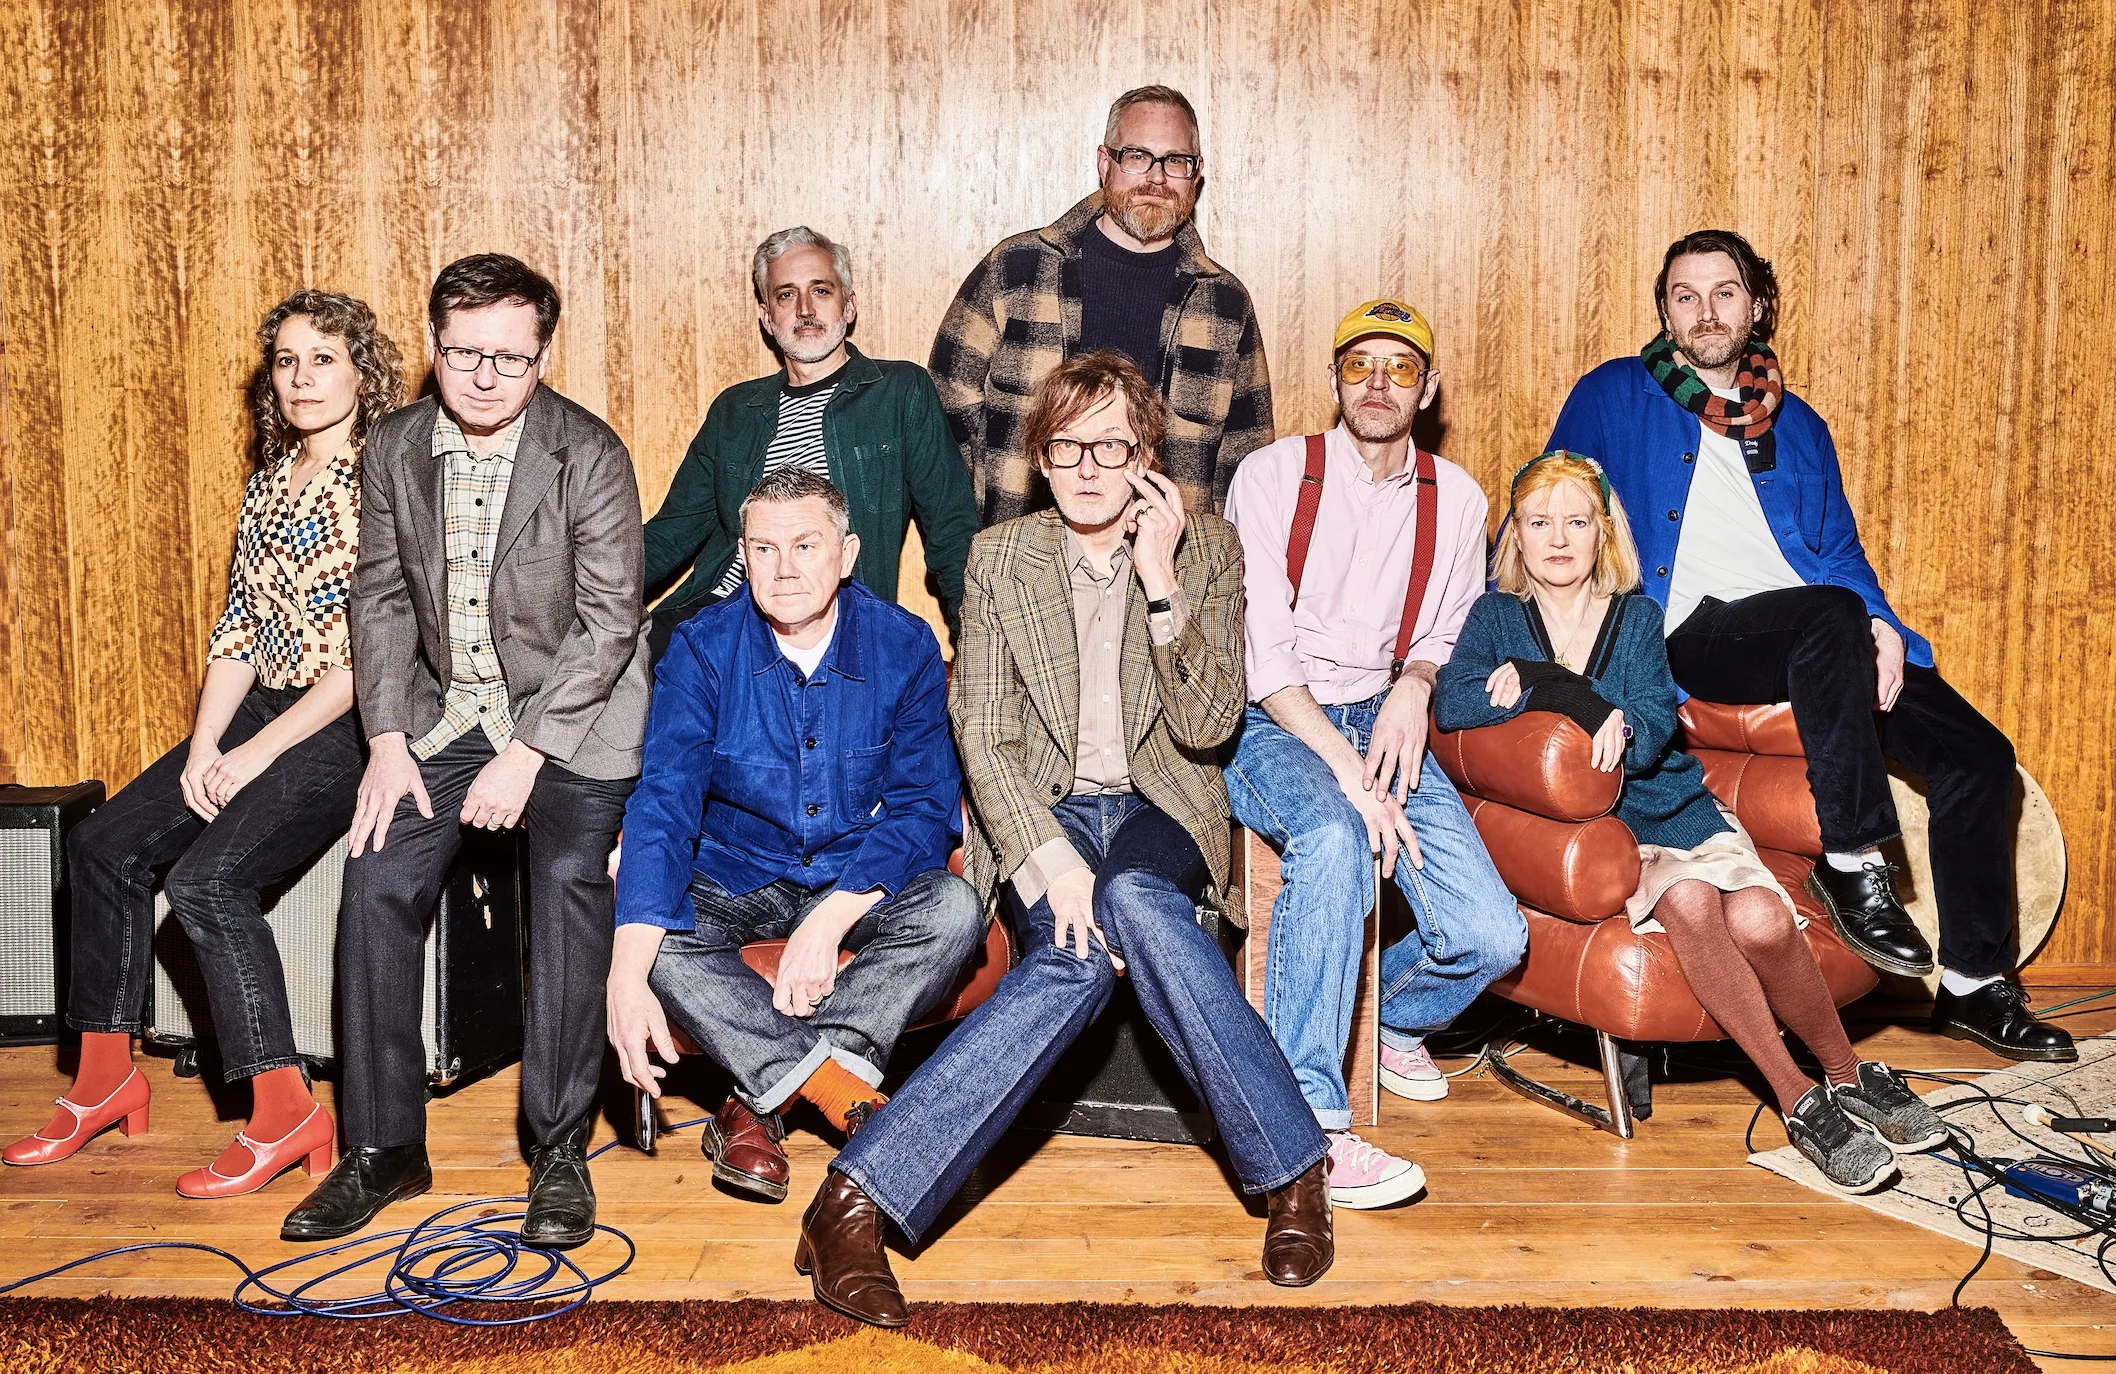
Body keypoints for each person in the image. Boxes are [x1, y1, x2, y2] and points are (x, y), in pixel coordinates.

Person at [798, 351, 1331, 1330]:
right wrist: (1049, 861)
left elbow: (1211, 726)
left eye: (1112, 447)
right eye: (1067, 447)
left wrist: (1162, 579)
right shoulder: (1002, 561)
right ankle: (1295, 1167)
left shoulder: (1204, 548)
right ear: (1039, 458)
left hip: (1156, 811)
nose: (1089, 467)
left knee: (1132, 897)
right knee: (1080, 964)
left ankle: (854, 1194)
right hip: (1040, 816)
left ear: (1146, 457)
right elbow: (985, 734)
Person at [1546, 229, 2072, 1062]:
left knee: (1981, 755)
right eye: (1685, 295)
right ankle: (1855, 861)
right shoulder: (1615, 394)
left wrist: (1884, 632)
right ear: (1665, 313)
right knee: (1826, 614)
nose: (1705, 310)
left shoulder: (1803, 426)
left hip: (1814, 631)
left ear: (1756, 306)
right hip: (1692, 632)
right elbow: (1552, 502)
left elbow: (1839, 556)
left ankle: (1975, 984)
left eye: (1724, 292)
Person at [1436, 452, 1949, 1192]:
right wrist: (1556, 689)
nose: (1557, 539)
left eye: (1577, 522)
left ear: (1602, 534)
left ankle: (1848, 1073)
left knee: (1766, 922)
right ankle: (1798, 1099)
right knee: (1690, 902)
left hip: (1674, 807)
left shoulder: (1638, 617)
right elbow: (1451, 703)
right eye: (1539, 522)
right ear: (1514, 536)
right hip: (1608, 837)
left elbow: (1648, 721)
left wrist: (1563, 697)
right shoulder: (1495, 618)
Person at [282, 254, 652, 1247]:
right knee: (374, 877)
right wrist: (390, 741)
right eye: (465, 354)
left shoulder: (589, 453)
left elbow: (610, 622)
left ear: (542, 355)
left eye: (512, 358)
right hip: (447, 717)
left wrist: (529, 755)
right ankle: (385, 1146)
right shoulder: (397, 448)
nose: (487, 377)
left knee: (570, 882)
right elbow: (381, 599)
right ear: (435, 345)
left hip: (574, 716)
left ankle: (560, 1147)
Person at [3, 291, 402, 1198]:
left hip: (348, 722)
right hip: (263, 704)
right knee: (103, 846)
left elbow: (368, 658)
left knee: (207, 883)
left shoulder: (384, 481)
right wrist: (205, 743)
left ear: (361, 371)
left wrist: (255, 757)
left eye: (324, 359)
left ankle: (284, 1108)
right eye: (288, 361)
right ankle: (103, 1080)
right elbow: (238, 630)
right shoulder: (270, 481)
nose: (302, 378)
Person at [607, 468, 987, 1203]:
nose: (784, 569)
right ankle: (832, 1087)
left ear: (845, 555)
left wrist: (831, 916)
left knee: (953, 911)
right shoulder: (701, 648)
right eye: (764, 549)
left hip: (856, 871)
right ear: (742, 557)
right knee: (652, 941)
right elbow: (664, 803)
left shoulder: (902, 645)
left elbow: (924, 806)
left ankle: (756, 1101)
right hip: (736, 873)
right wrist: (624, 973)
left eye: (805, 546)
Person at [1221, 300, 1524, 1209]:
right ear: (1336, 382)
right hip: (1274, 722)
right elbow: (1259, 653)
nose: (1380, 384)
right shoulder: (1274, 476)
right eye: (1362, 367)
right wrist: (1350, 777)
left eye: (1401, 368)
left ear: (1427, 390)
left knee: (1488, 935)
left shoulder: (1460, 497)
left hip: (1383, 716)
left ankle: (1386, 1018)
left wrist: (1416, 687)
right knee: (1338, 841)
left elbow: (1445, 629)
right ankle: (1308, 1128)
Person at [931, 84, 1272, 526]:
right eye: (1136, 156)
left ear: (1197, 173)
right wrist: (971, 550)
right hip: (1023, 562)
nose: (1156, 177)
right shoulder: (1016, 269)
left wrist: (1213, 567)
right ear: (1104, 163)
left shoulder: (1224, 302)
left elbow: (1247, 459)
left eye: (1176, 161)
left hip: (1165, 561)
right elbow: (943, 416)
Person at [643, 227, 977, 659]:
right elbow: (672, 532)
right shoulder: (735, 410)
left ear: (848, 304)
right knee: (623, 664)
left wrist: (978, 648)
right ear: (767, 317)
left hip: (835, 622)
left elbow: (951, 531)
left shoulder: (899, 392)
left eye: (821, 290)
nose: (804, 309)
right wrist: (583, 598)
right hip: (726, 612)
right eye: (786, 295)